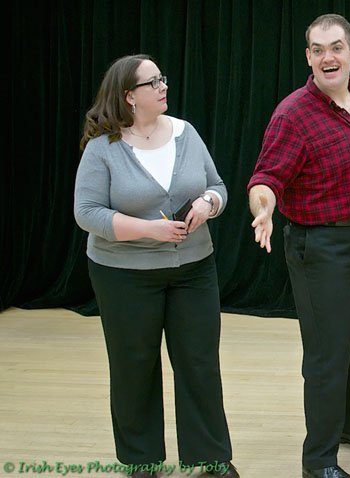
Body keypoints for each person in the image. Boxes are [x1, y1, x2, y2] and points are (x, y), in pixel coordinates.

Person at [74, 54, 239, 478]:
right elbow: (87, 213)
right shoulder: (102, 148)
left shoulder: (186, 133)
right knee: (134, 366)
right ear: (129, 97)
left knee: (199, 363)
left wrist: (208, 203)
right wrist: (150, 230)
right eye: (153, 82)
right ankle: (141, 460)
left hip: (194, 269)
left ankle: (210, 457)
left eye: (162, 78)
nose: (164, 86)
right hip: (123, 276)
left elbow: (217, 186)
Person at [247, 13, 350, 478]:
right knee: (327, 355)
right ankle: (319, 461)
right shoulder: (293, 114)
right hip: (319, 246)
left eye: (335, 47)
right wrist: (263, 206)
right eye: (316, 49)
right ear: (308, 57)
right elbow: (265, 177)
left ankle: (349, 425)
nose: (327, 57)